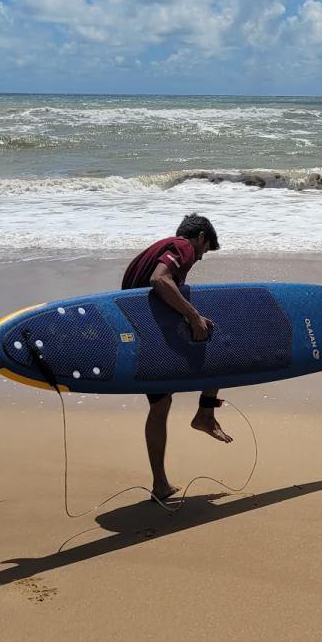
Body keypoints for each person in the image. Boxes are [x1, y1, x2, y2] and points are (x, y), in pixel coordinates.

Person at [121, 213, 231, 502]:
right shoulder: (181, 246)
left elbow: (145, 293)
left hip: (138, 336)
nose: (199, 259)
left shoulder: (152, 250)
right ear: (200, 238)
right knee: (218, 346)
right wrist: (193, 316)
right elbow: (160, 280)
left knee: (160, 406)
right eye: (203, 252)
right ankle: (206, 414)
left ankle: (160, 484)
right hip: (153, 340)